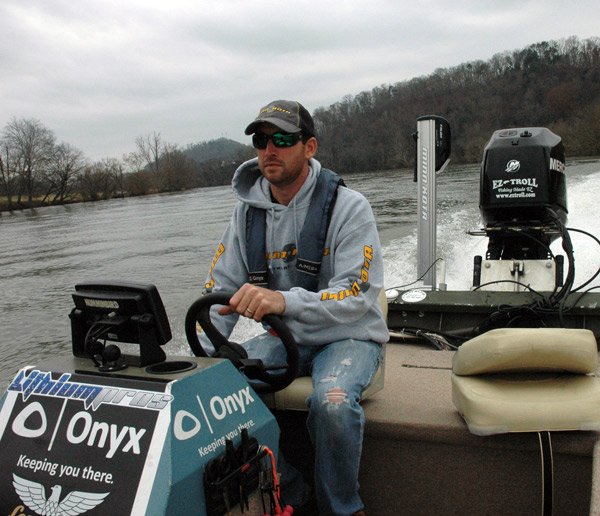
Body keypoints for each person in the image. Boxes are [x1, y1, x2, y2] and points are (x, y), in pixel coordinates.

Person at [199, 99, 389, 515]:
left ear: (310, 147)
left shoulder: (350, 207)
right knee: (218, 399)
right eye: (262, 140)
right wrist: (200, 360)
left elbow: (357, 295)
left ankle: (342, 508)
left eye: (283, 139)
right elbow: (220, 290)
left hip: (351, 338)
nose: (270, 149)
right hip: (285, 341)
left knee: (333, 405)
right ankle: (295, 494)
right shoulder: (243, 216)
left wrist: (282, 300)